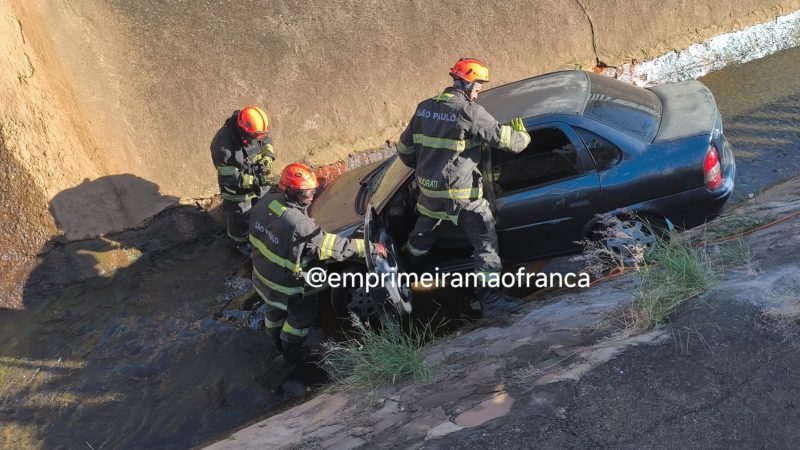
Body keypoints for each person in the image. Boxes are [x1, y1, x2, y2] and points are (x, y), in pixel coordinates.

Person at [395, 58, 531, 317]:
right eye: (478, 87)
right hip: (463, 197)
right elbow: (510, 143)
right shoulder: (470, 112)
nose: (478, 92)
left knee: (421, 237)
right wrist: (523, 137)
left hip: (428, 192)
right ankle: (491, 301)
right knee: (486, 244)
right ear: (467, 84)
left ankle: (410, 271)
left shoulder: (424, 108)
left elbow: (404, 151)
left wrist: (427, 168)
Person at [249, 162, 386, 362]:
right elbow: (335, 248)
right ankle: (291, 352)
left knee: (273, 309)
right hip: (288, 287)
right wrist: (370, 248)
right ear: (291, 192)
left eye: (313, 190)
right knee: (301, 318)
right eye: (308, 193)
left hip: (261, 275)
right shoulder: (300, 225)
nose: (312, 196)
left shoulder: (265, 203)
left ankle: (274, 339)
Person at [210, 106, 276, 255]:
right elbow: (230, 179)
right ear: (245, 130)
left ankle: (259, 228)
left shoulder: (256, 130)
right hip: (236, 189)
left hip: (256, 176)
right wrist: (254, 181)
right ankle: (239, 243)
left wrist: (268, 157)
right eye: (256, 136)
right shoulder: (223, 145)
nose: (259, 138)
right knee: (241, 216)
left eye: (261, 134)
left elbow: (267, 141)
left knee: (263, 205)